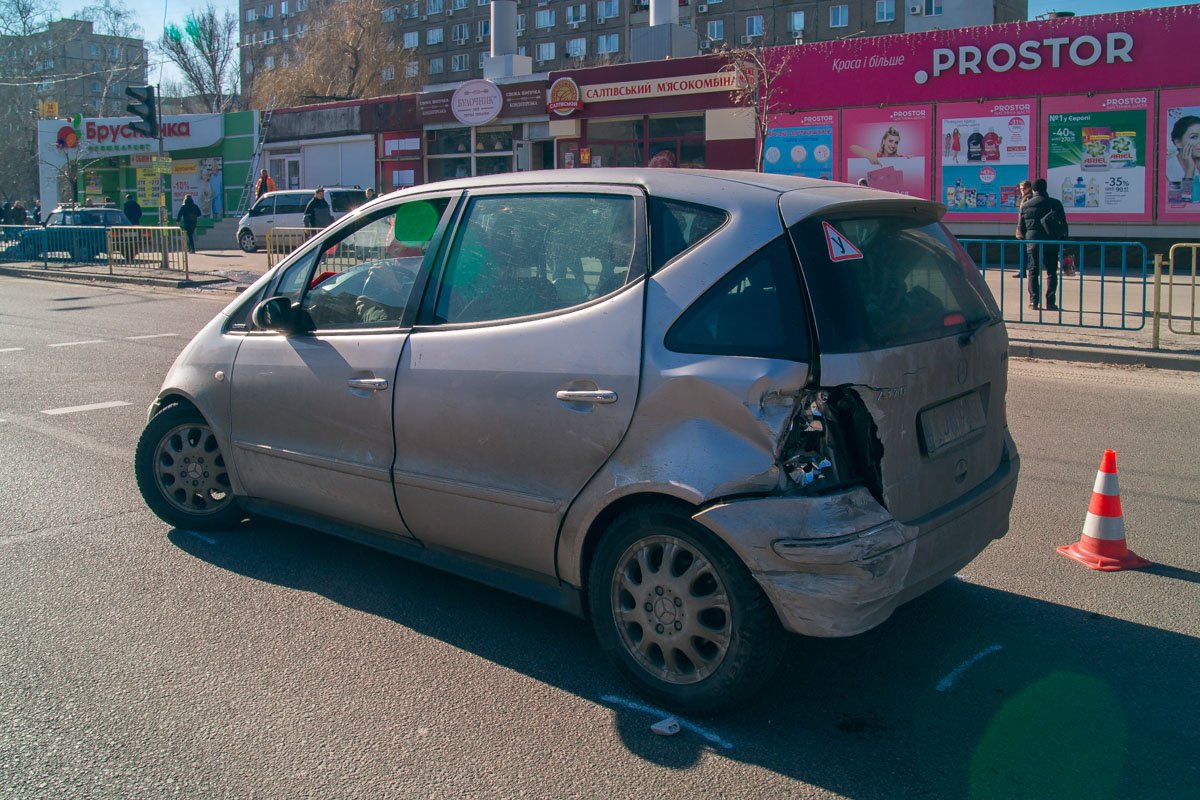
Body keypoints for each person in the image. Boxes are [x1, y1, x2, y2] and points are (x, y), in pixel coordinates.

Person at [1017, 178, 1068, 311]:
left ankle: (1034, 302)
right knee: (1051, 272)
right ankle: (1050, 303)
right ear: (1045, 189)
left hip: (1033, 242)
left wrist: (1026, 238)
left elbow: (1021, 228)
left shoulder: (1026, 205)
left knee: (1033, 271)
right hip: (1051, 241)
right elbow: (1063, 224)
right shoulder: (1055, 204)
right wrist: (1064, 242)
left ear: (1033, 189)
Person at [1167, 114, 1200, 202]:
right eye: (1194, 137)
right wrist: (1189, 171)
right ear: (1178, 142)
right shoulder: (1167, 169)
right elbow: (1180, 202)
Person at [1012, 180, 1033, 278]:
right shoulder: (1025, 198)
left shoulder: (1028, 198)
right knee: (1024, 252)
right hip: (1024, 229)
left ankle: (1023, 270)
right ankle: (1023, 270)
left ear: (1029, 188)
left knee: (1025, 252)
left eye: (1024, 188)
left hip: (1025, 230)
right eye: (1021, 189)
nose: (1022, 191)